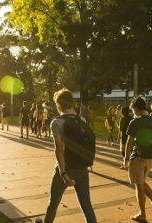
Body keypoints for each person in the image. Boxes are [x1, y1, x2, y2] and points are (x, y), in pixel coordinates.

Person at [42, 88, 96, 223]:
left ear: (58, 104)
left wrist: (63, 172)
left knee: (53, 203)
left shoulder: (57, 122)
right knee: (86, 206)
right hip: (82, 169)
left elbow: (59, 149)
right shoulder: (82, 119)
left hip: (66, 169)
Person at [123, 96, 152, 223]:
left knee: (139, 186)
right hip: (150, 156)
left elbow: (129, 142)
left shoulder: (135, 122)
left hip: (138, 157)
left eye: (132, 109)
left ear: (135, 108)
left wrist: (126, 158)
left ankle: (143, 214)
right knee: (142, 182)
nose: (132, 111)